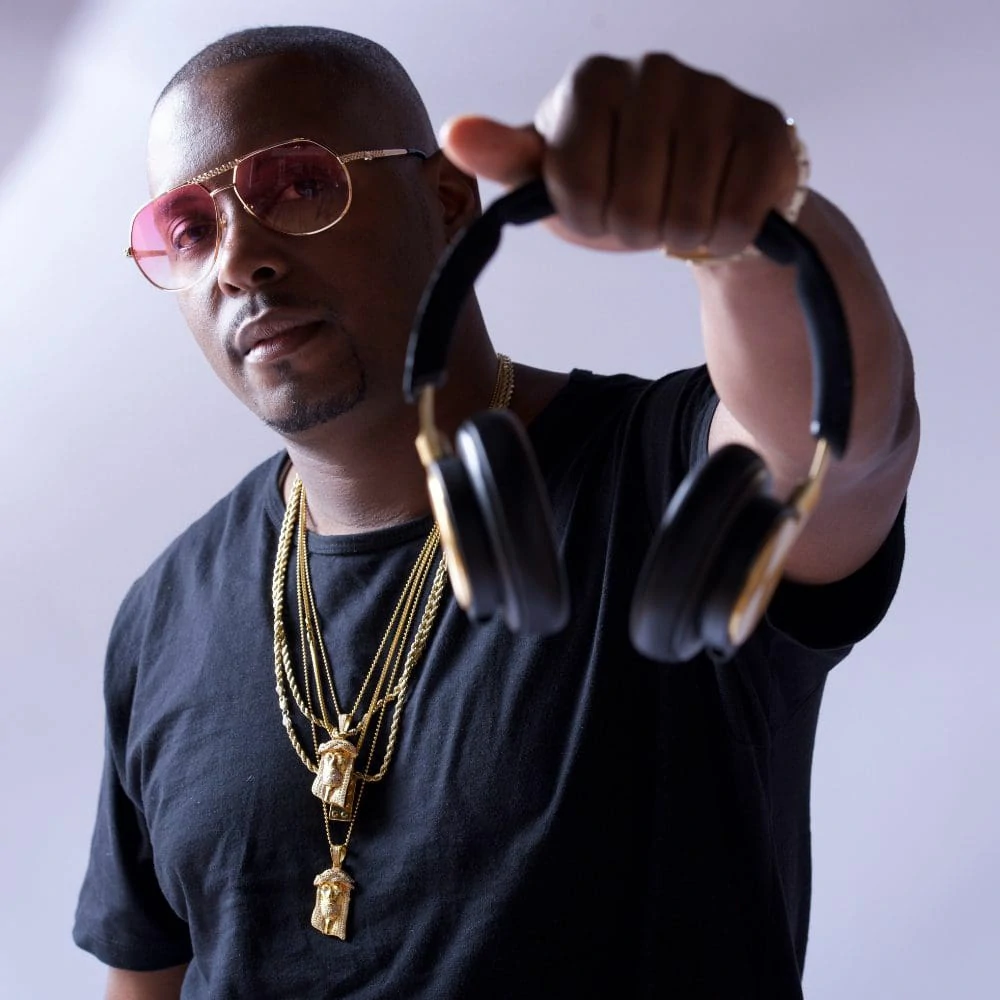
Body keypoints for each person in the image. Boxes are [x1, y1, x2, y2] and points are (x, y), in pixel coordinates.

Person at [73, 24, 919, 1000]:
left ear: (446, 203)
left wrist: (747, 219)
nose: (238, 261)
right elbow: (146, 978)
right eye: (189, 230)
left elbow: (842, 437)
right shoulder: (159, 616)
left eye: (299, 185)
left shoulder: (662, 479)